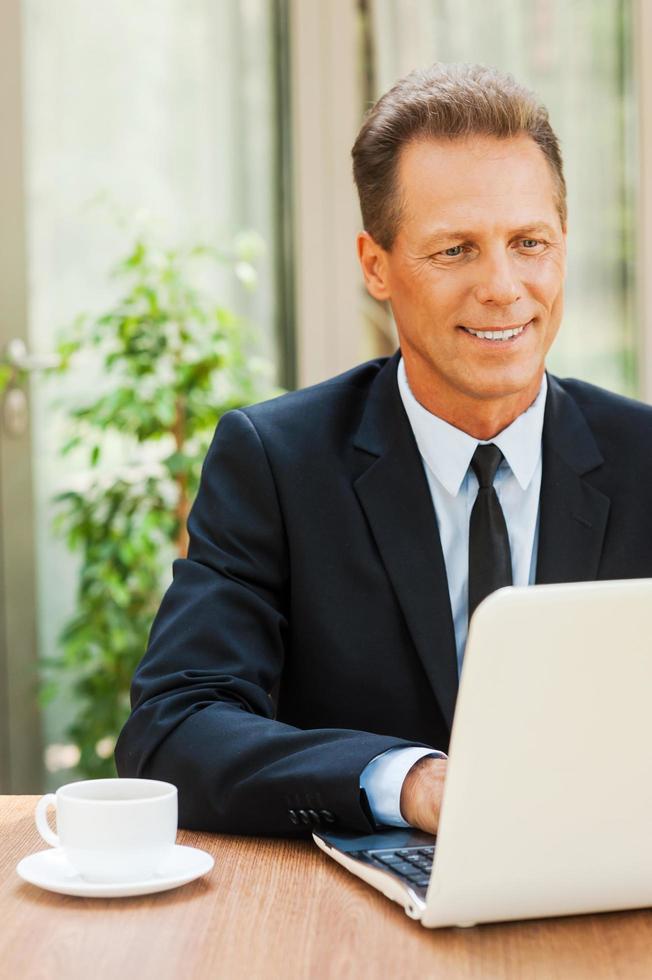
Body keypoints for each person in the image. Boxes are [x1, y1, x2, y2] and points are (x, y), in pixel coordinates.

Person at [115, 63, 652, 837]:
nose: (503, 286)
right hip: (351, 920)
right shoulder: (274, 463)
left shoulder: (643, 461)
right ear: (377, 266)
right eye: (455, 250)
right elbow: (175, 727)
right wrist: (408, 783)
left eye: (528, 242)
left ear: (563, 244)